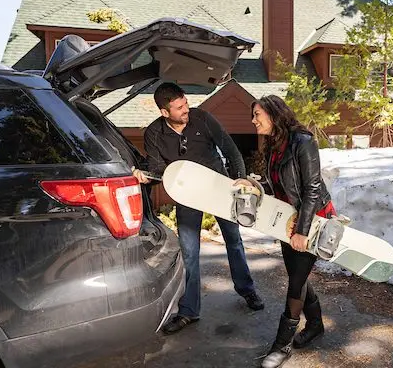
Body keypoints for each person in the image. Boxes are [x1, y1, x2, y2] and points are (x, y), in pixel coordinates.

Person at [134, 82, 264, 335]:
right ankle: (189, 311)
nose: (186, 109)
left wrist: (240, 179)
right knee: (190, 254)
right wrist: (147, 176)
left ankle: (247, 290)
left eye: (185, 103)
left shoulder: (203, 118)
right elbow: (158, 168)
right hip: (187, 195)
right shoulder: (154, 133)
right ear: (164, 112)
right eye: (179, 107)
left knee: (234, 241)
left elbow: (230, 149)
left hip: (219, 188)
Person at [235, 95, 335, 368]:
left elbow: (311, 189)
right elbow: (278, 185)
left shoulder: (303, 141)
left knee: (295, 282)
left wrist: (302, 232)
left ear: (273, 113)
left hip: (313, 220)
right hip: (288, 220)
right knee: (297, 276)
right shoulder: (274, 145)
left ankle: (282, 345)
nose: (254, 121)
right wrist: (256, 187)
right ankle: (315, 325)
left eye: (257, 115)